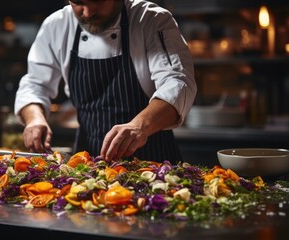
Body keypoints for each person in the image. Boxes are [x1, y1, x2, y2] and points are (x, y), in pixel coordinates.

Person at [14, 0, 197, 164]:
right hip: (87, 166)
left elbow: (178, 83)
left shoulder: (150, 19)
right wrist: (34, 119)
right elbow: (35, 84)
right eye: (78, 2)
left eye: (97, 1)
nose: (87, 13)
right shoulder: (57, 25)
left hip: (154, 164)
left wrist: (140, 125)